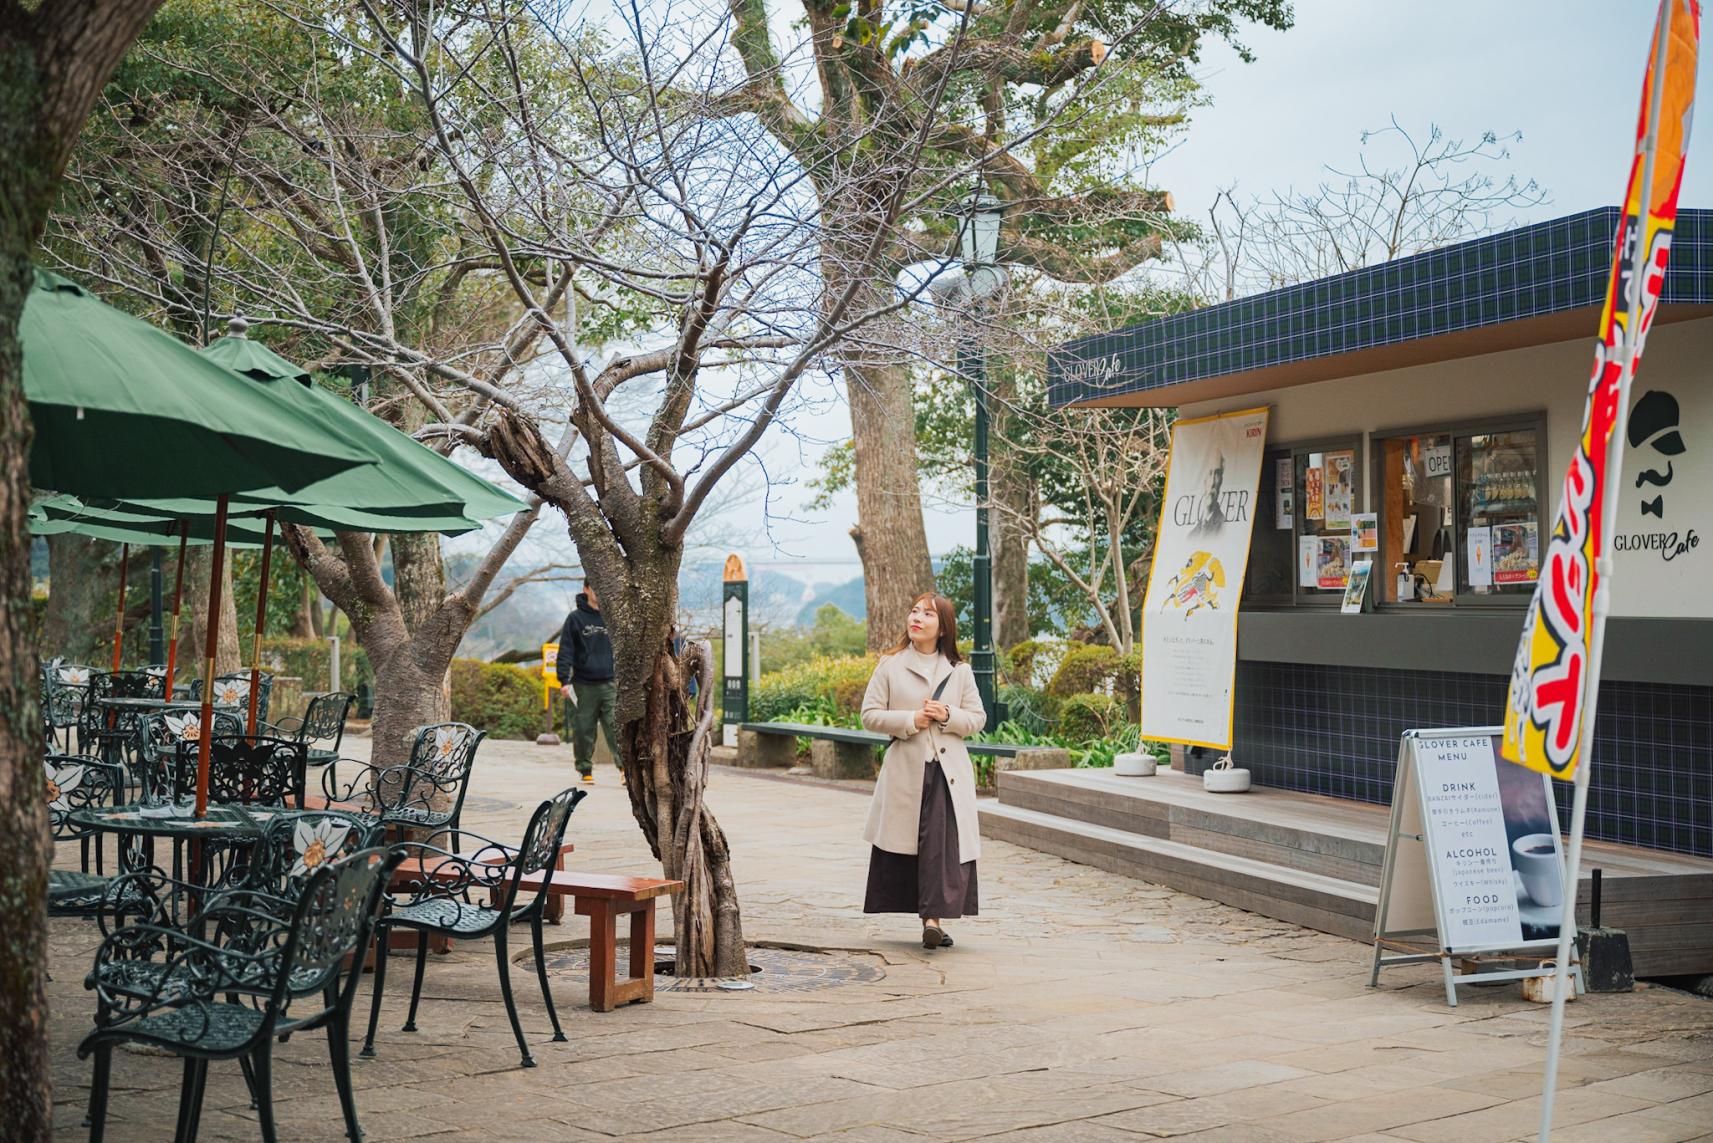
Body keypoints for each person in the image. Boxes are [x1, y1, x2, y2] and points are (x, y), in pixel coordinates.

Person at [859, 591, 985, 950]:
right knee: (911, 847)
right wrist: (910, 719)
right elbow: (869, 715)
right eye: (914, 611)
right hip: (906, 773)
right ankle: (929, 918)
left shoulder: (959, 671)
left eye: (927, 614)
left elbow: (977, 718)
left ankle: (932, 921)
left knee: (942, 850)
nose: (916, 618)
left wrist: (948, 715)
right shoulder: (891, 665)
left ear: (942, 627)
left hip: (948, 774)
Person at [557, 582, 618, 784]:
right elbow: (566, 651)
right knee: (583, 729)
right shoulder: (575, 619)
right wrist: (563, 680)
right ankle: (585, 770)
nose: (598, 592)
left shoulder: (613, 617)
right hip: (583, 684)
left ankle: (626, 768)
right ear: (586, 590)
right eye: (594, 588)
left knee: (616, 727)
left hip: (610, 682)